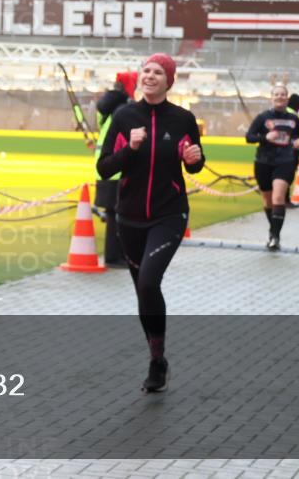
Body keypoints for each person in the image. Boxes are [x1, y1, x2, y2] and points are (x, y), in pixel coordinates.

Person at [96, 54, 204, 393]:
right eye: (146, 71)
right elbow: (104, 168)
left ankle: (156, 364)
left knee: (147, 283)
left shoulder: (183, 118)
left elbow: (195, 163)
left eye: (158, 72)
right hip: (129, 217)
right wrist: (131, 147)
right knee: (143, 293)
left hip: (169, 214)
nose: (151, 76)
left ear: (168, 81)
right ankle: (157, 359)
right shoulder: (124, 116)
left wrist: (194, 160)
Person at [245, 85, 299, 251]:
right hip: (263, 162)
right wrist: (265, 137)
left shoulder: (294, 119)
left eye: (283, 94)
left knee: (278, 198)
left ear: (287, 98)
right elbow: (249, 137)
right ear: (271, 97)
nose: (280, 97)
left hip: (285, 161)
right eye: (277, 94)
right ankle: (273, 229)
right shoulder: (263, 117)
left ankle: (275, 236)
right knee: (267, 200)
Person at [94, 74, 133, 268]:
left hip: (105, 167)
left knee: (113, 215)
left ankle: (116, 256)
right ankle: (115, 257)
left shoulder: (107, 109)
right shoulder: (123, 110)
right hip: (117, 169)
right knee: (117, 216)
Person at [285, 93, 299, 209]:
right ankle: (285, 200)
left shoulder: (287, 111)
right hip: (290, 151)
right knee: (287, 176)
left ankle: (282, 199)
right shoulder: (292, 115)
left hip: (287, 150)